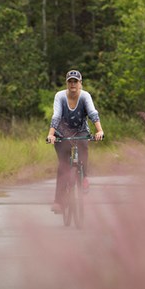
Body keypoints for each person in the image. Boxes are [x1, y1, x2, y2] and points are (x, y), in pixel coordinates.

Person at [46, 70, 104, 214]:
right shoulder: (60, 96)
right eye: (70, 81)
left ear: (80, 83)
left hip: (80, 131)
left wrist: (99, 131)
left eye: (75, 81)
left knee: (84, 147)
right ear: (67, 83)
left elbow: (92, 113)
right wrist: (51, 135)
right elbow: (56, 116)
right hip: (62, 133)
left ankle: (84, 178)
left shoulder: (85, 96)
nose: (73, 84)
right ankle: (59, 201)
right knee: (63, 166)